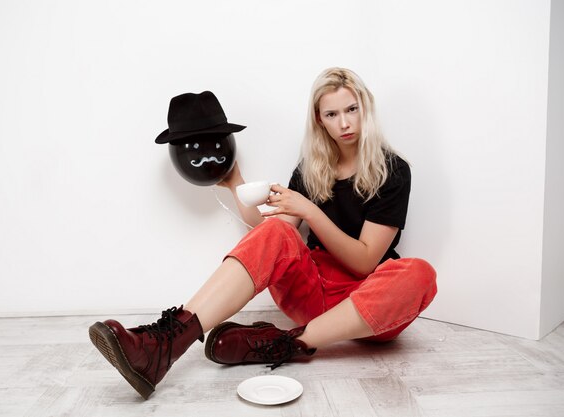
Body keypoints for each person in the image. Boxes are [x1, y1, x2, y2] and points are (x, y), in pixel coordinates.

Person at [89, 67, 437, 400]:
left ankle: (287, 342)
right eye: (331, 114)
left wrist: (310, 211)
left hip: (370, 307)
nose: (344, 123)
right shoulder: (310, 169)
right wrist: (235, 184)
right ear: (319, 119)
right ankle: (166, 343)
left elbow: (364, 262)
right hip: (312, 292)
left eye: (351, 109)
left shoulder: (393, 171)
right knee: (277, 232)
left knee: (420, 274)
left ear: (366, 108)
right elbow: (273, 238)